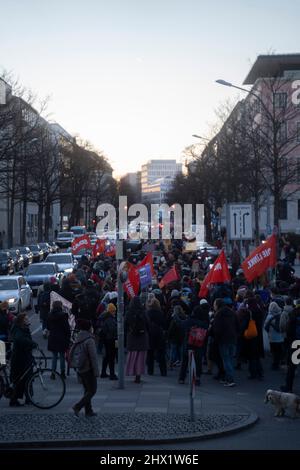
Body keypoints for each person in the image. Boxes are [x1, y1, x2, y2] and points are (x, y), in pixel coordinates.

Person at [72, 318, 99, 417]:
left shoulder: (79, 337)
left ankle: (88, 410)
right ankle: (77, 406)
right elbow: (93, 357)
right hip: (88, 369)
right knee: (92, 390)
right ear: (89, 328)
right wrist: (96, 371)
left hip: (80, 368)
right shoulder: (89, 340)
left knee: (87, 390)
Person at [9, 313, 37, 406]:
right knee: (21, 378)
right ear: (21, 321)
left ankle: (28, 398)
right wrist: (32, 343)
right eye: (25, 319)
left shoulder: (23, 328)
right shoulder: (18, 329)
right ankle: (15, 399)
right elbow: (20, 339)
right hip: (20, 358)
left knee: (27, 377)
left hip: (25, 356)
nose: (27, 319)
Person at [213, 298, 240, 387]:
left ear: (217, 305)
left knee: (226, 360)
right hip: (233, 339)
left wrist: (216, 340)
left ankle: (230, 379)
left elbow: (217, 329)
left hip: (223, 340)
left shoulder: (218, 314)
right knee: (230, 359)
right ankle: (229, 377)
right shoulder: (232, 312)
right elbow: (238, 325)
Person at [125, 296, 149, 383]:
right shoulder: (143, 312)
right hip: (142, 337)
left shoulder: (129, 312)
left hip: (132, 337)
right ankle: (138, 375)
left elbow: (125, 324)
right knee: (140, 358)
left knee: (132, 356)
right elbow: (148, 324)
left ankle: (132, 372)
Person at [47, 300, 71, 379]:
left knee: (54, 356)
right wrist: (68, 336)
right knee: (62, 356)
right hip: (62, 337)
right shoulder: (63, 315)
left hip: (53, 337)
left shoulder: (50, 315)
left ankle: (53, 373)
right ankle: (62, 373)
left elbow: (48, 327)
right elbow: (66, 328)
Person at [281, 299, 300, 392]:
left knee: (292, 366)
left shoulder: (293, 314)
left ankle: (288, 387)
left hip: (296, 343)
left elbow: (289, 330)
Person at [146, 297, 167, 376]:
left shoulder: (148, 312)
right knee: (161, 353)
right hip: (159, 334)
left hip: (150, 334)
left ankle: (150, 370)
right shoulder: (160, 313)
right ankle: (163, 371)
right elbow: (164, 324)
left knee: (150, 353)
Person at [100, 303, 118, 380]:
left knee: (107, 356)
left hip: (106, 339)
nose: (115, 312)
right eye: (114, 311)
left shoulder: (105, 317)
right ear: (111, 311)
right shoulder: (110, 319)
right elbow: (112, 329)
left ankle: (103, 372)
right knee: (111, 357)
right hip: (111, 339)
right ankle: (112, 374)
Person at [264, 301, 284, 370]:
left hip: (272, 337)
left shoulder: (269, 316)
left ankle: (275, 364)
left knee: (274, 351)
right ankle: (278, 363)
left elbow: (265, 327)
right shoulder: (281, 314)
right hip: (280, 337)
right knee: (279, 351)